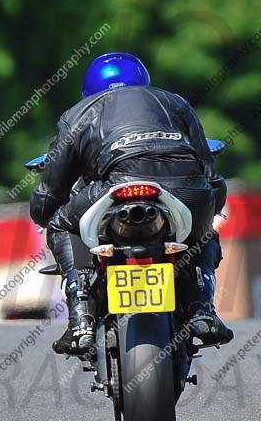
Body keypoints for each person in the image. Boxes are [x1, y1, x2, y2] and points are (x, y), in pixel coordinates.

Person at [29, 52, 234, 355]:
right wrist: (210, 206)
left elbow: (49, 197)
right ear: (144, 83)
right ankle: (202, 309)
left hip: (113, 188)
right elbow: (210, 176)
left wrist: (45, 213)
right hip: (185, 190)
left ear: (89, 90)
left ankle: (80, 321)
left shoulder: (77, 113)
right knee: (205, 232)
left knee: (60, 223)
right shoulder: (175, 102)